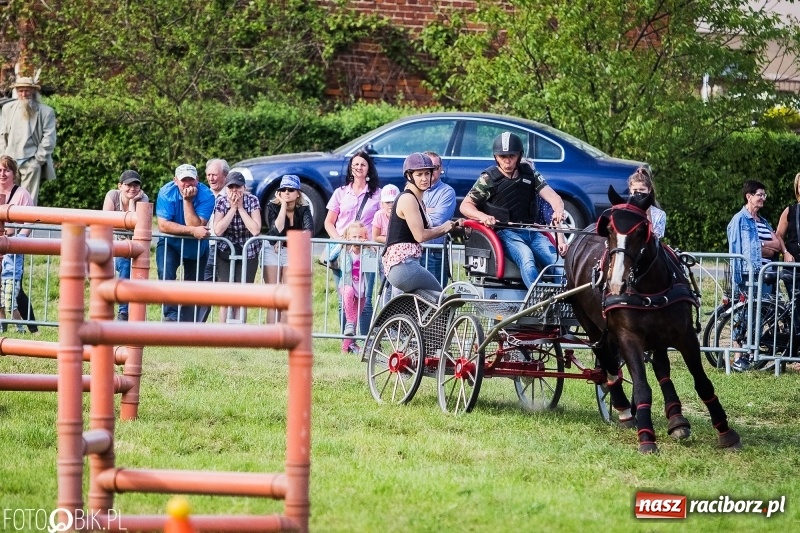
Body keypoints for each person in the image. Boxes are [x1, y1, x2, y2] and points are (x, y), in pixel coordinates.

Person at [459, 132, 564, 288]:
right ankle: (539, 298)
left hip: (532, 231)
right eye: (502, 157)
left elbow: (555, 198)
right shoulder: (488, 179)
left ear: (519, 156)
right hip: (506, 233)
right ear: (496, 157)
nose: (507, 161)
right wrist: (483, 216)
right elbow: (465, 205)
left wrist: (558, 210)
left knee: (558, 263)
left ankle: (562, 299)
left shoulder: (531, 174)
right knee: (526, 258)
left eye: (512, 156)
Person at [382, 153, 458, 301]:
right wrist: (444, 228)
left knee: (423, 303)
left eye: (427, 173)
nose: (424, 178)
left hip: (405, 264)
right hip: (403, 265)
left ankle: (410, 324)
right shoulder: (408, 199)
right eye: (419, 174)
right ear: (410, 176)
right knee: (442, 299)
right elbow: (420, 236)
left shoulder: (417, 199)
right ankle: (437, 325)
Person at [324, 151, 382, 338]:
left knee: (365, 299)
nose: (358, 167)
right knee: (345, 298)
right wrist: (340, 241)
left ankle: (364, 339)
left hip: (368, 251)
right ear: (351, 168)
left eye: (362, 165)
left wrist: (373, 241)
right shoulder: (340, 193)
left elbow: (381, 221)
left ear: (368, 169)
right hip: (343, 251)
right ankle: (346, 342)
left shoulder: (377, 195)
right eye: (355, 164)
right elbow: (328, 222)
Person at [727, 179, 782, 371]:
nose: (763, 198)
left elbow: (777, 246)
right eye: (759, 194)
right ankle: (738, 357)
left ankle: (752, 355)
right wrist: (762, 249)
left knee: (760, 316)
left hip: (766, 276)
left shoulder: (764, 221)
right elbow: (736, 249)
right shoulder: (739, 220)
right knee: (744, 315)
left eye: (764, 195)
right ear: (748, 196)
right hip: (749, 275)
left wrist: (761, 246)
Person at [155, 163, 215, 322]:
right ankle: (171, 317)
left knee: (193, 285)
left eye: (191, 179)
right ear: (175, 181)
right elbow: (163, 226)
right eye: (184, 180)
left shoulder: (207, 195)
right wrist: (193, 232)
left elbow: (196, 224)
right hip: (170, 243)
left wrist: (187, 201)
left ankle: (187, 324)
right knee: (166, 275)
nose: (188, 183)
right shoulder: (166, 193)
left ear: (198, 179)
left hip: (197, 248)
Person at [263, 174, 314, 322]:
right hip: (272, 250)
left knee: (287, 295)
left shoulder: (304, 208)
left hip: (293, 251)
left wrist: (286, 239)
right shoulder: (272, 206)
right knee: (272, 295)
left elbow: (309, 231)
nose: (286, 192)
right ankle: (271, 335)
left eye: (291, 190)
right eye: (283, 189)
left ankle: (284, 335)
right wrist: (283, 206)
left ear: (298, 193)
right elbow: (275, 230)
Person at [213, 171, 262, 323]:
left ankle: (240, 334)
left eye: (238, 187)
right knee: (226, 295)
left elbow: (255, 229)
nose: (234, 191)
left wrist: (240, 208)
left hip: (249, 251)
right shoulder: (221, 201)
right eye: (231, 187)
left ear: (244, 187)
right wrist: (232, 209)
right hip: (225, 250)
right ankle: (222, 334)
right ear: (226, 188)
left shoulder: (252, 200)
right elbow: (218, 229)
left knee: (243, 295)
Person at [0, 77, 56, 205]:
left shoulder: (46, 112)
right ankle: (6, 225)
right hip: (10, 162)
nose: (23, 94)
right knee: (5, 197)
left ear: (33, 91)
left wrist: (37, 160)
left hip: (30, 161)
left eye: (26, 90)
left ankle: (27, 225)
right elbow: (2, 135)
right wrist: (3, 159)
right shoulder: (7, 109)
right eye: (20, 91)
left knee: (28, 201)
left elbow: (49, 138)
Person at [102, 170, 149, 321]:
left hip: (131, 247)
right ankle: (111, 312)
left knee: (125, 267)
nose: (132, 189)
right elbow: (105, 221)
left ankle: (123, 312)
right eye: (128, 185)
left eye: (136, 185)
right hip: (110, 242)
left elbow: (138, 226)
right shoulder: (112, 195)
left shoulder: (143, 198)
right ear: (120, 186)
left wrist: (132, 203)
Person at [328, 221, 377, 353]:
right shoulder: (345, 250)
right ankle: (349, 321)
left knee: (355, 319)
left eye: (360, 237)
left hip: (361, 290)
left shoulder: (368, 251)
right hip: (347, 284)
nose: (357, 240)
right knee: (348, 294)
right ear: (348, 237)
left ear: (365, 237)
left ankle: (346, 349)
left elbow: (372, 268)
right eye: (354, 237)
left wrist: (370, 249)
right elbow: (330, 257)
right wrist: (341, 244)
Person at [0, 156, 33, 333]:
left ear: (14, 173)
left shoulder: (22, 194)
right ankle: (5, 327)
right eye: (0, 170)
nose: (2, 174)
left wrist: (19, 239)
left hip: (13, 251)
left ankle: (23, 328)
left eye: (6, 170)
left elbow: (30, 221)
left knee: (12, 295)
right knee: (5, 296)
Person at [196, 158, 229, 323]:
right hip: (204, 247)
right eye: (208, 175)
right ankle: (197, 328)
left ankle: (224, 331)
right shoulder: (202, 194)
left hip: (224, 247)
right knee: (203, 288)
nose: (211, 178)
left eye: (214, 175)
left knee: (225, 290)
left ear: (225, 175)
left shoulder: (232, 193)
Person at [421, 151, 457, 286]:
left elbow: (438, 220)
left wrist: (417, 213)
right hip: (413, 252)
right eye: (427, 168)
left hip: (435, 254)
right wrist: (428, 211)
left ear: (441, 169)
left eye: (435, 168)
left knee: (434, 298)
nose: (431, 171)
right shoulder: (412, 190)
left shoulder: (447, 192)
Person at [372, 184, 399, 303]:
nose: (390, 205)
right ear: (382, 203)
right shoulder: (379, 215)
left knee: (397, 288)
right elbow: (375, 236)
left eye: (393, 201)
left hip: (399, 256)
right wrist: (393, 239)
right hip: (384, 255)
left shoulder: (401, 215)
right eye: (387, 202)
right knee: (385, 287)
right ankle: (384, 316)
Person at [628, 166, 666, 239]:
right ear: (630, 189)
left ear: (649, 190)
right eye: (635, 189)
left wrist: (647, 212)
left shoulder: (659, 214)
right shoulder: (625, 211)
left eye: (642, 189)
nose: (638, 192)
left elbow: (654, 239)